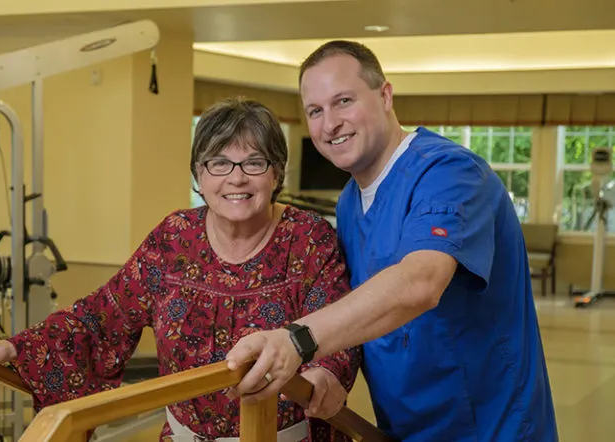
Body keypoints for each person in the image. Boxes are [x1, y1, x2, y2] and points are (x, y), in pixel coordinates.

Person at [0, 97, 360, 441]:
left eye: (254, 162)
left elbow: (336, 329)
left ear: (276, 173)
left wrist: (326, 376)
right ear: (199, 173)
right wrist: (9, 347)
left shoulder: (308, 239)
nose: (236, 178)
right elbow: (98, 320)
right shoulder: (173, 238)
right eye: (219, 163)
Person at [225, 40, 558, 441]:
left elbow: (419, 283)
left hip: (487, 427)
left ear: (385, 95)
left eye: (343, 101)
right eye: (315, 111)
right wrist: (326, 370)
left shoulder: (450, 173)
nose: (330, 124)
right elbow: (361, 308)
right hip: (405, 426)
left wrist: (297, 340)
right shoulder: (350, 202)